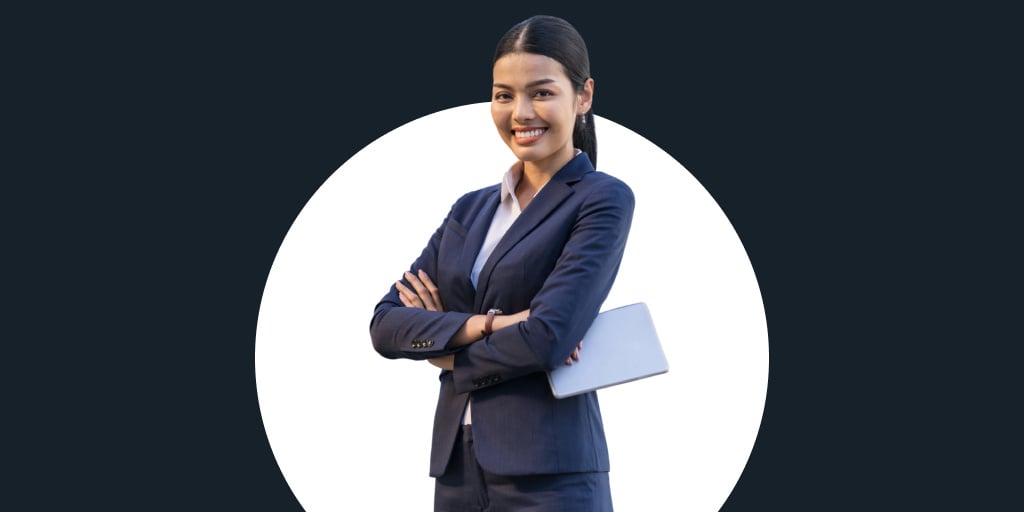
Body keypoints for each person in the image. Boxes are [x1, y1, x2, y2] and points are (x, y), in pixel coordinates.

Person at [369, 14, 634, 512]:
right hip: (456, 468)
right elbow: (385, 324)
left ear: (584, 96)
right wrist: (489, 324)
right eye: (504, 94)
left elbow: (548, 337)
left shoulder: (601, 199)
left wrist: (443, 351)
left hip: (550, 473)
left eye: (542, 92)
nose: (521, 112)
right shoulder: (471, 209)